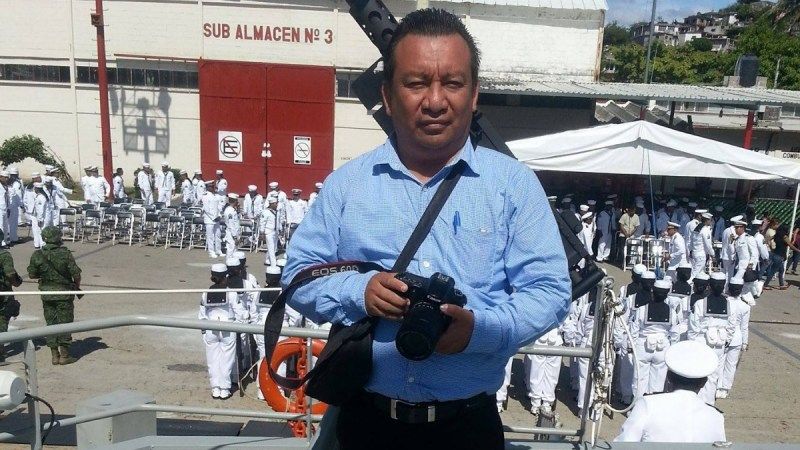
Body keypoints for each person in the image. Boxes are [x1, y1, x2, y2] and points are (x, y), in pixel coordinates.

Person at [281, 9, 571, 450]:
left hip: (468, 429)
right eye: (416, 83)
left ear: (474, 94)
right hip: (365, 425)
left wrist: (479, 330)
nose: (435, 101)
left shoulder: (514, 186)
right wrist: (359, 292)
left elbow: (550, 291)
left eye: (452, 83)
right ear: (387, 95)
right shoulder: (348, 184)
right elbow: (298, 275)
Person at [614, 339, 725, 443]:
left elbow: (625, 443)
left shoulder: (648, 405)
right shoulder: (715, 417)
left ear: (668, 377)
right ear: (703, 383)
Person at [27, 226, 82, 365]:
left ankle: (54, 355)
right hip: (64, 295)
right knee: (65, 323)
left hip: (47, 294)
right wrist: (76, 286)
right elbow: (76, 274)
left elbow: (32, 274)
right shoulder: (65, 254)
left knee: (51, 323)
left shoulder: (38, 254)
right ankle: (65, 355)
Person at [688, 272, 735, 405]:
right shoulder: (729, 304)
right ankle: (709, 404)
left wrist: (692, 343)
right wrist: (727, 341)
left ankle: (698, 403)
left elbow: (693, 326)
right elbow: (731, 326)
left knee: (700, 374)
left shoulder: (700, 303)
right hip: (719, 344)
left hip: (703, 342)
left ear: (709, 285)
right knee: (714, 376)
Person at [630, 278, 680, 398]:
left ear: (653, 292)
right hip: (662, 348)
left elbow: (634, 331)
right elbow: (675, 334)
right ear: (667, 294)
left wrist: (631, 347)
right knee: (658, 380)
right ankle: (653, 405)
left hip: (643, 346)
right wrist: (672, 350)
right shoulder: (672, 313)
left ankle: (638, 404)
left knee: (639, 379)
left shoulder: (642, 310)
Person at [199, 263, 237, 400]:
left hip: (210, 327)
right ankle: (224, 389)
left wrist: (204, 331)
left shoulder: (205, 293)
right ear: (225, 277)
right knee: (226, 359)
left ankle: (215, 388)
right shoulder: (231, 293)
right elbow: (239, 312)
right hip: (228, 328)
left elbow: (202, 314)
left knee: (212, 360)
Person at [717, 277, 750, 400]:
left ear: (729, 288)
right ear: (741, 290)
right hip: (737, 337)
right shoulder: (745, 306)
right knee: (731, 365)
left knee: (720, 363)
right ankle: (725, 389)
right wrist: (745, 342)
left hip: (722, 335)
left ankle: (717, 386)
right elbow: (744, 327)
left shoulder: (724, 302)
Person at [0, 229, 23, 361]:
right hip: (3, 294)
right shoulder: (4, 255)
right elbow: (10, 274)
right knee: (2, 320)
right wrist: (17, 282)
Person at [764, 222, 798, 291]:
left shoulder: (777, 235)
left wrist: (770, 246)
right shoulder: (784, 237)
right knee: (773, 271)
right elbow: (790, 245)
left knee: (781, 270)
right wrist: (798, 250)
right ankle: (765, 285)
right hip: (780, 256)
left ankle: (781, 284)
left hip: (775, 254)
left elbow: (768, 239)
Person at [689, 212, 714, 280]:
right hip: (701, 254)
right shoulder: (705, 229)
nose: (711, 222)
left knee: (699, 273)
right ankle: (688, 283)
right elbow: (708, 244)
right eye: (710, 220)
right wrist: (712, 254)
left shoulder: (697, 228)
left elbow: (691, 240)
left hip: (695, 252)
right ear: (707, 220)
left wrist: (691, 250)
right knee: (695, 273)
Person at [202, 181, 222, 258]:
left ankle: (218, 250)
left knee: (218, 235)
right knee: (210, 237)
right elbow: (206, 209)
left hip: (216, 218)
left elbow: (218, 207)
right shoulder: (205, 196)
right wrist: (214, 217)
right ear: (207, 187)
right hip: (209, 219)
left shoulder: (215, 195)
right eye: (211, 186)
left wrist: (219, 215)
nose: (212, 188)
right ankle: (211, 252)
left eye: (213, 186)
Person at [720, 215, 742, 281]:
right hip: (729, 256)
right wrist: (732, 257)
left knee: (724, 273)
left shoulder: (726, 230)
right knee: (729, 274)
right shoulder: (733, 232)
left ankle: (723, 286)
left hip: (724, 254)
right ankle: (726, 287)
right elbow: (731, 245)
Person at [259, 197, 280, 267]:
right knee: (271, 249)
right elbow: (262, 223)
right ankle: (273, 264)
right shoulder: (265, 212)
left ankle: (267, 260)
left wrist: (280, 229)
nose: (277, 205)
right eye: (275, 203)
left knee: (274, 248)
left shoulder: (276, 211)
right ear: (271, 204)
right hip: (269, 232)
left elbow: (278, 221)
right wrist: (262, 233)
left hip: (275, 231)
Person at [30, 182, 50, 249]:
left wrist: (40, 219)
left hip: (41, 217)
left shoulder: (41, 197)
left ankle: (42, 245)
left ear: (37, 189)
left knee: (41, 231)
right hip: (38, 216)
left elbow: (40, 210)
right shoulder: (39, 196)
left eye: (35, 188)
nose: (34, 190)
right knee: (37, 230)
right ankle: (38, 244)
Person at [222, 193, 241, 259]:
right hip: (231, 234)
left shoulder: (232, 209)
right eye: (237, 200)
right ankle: (229, 263)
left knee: (234, 250)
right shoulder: (230, 211)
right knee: (231, 250)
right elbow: (231, 225)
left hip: (234, 232)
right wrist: (235, 237)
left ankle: (233, 264)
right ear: (235, 201)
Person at [7, 167, 23, 244]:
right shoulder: (17, 183)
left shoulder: (7, 182)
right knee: (14, 223)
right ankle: (14, 238)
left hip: (8, 205)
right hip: (14, 205)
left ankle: (9, 237)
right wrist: (21, 204)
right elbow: (18, 195)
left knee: (8, 222)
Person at [0, 171, 10, 246]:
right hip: (0, 208)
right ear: (0, 177)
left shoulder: (6, 186)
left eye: (7, 177)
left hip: (5, 208)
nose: (6, 179)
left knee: (6, 225)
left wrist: (8, 207)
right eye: (5, 177)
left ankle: (5, 240)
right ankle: (1, 242)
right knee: (1, 225)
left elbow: (7, 197)